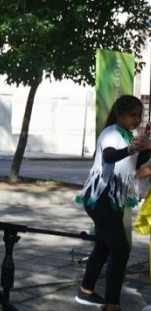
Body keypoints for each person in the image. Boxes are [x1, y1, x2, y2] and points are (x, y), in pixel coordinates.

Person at [75, 95, 151, 311]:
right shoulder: (110, 133)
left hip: (112, 200)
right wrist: (131, 150)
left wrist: (145, 146)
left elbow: (136, 165)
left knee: (104, 246)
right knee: (121, 250)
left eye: (140, 115)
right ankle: (111, 304)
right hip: (101, 199)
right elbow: (109, 156)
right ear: (119, 114)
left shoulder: (127, 135)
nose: (137, 119)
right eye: (132, 115)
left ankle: (86, 291)